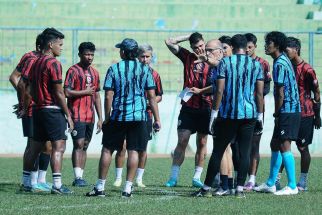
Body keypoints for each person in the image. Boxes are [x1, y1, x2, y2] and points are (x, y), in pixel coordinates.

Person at [85, 38, 161, 198]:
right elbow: (152, 97)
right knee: (133, 150)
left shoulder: (114, 69)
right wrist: (157, 118)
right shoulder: (145, 69)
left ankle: (100, 187)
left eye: (121, 49)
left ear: (124, 52)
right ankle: (127, 188)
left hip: (118, 116)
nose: (119, 51)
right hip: (139, 116)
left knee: (107, 149)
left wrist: (106, 117)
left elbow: (108, 95)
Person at [193, 34, 264, 198]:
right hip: (249, 113)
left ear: (232, 46)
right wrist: (259, 115)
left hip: (228, 114)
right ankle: (239, 190)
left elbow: (219, 89)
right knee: (245, 152)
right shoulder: (256, 64)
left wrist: (214, 113)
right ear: (246, 47)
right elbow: (259, 93)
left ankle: (206, 189)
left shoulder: (225, 63)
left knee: (218, 151)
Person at [23, 28, 74, 194]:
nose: (61, 47)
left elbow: (27, 87)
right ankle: (57, 186)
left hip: (37, 110)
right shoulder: (54, 63)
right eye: (60, 44)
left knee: (34, 148)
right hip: (52, 110)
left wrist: (25, 106)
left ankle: (26, 183)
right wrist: (68, 113)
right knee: (58, 147)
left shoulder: (35, 61)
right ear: (51, 45)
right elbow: (59, 93)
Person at [254, 31, 301, 195]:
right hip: (288, 109)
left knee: (284, 145)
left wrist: (277, 114)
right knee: (275, 143)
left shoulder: (280, 63)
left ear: (277, 45)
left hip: (287, 110)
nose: (266, 45)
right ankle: (270, 183)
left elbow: (280, 92)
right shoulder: (282, 61)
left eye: (269, 42)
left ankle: (293, 186)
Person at [164, 32, 211, 188]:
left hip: (206, 107)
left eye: (201, 45)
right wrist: (189, 35)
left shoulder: (214, 61)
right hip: (188, 107)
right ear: (191, 47)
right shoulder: (188, 57)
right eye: (195, 47)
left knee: (202, 142)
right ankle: (173, 177)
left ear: (205, 43)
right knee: (182, 140)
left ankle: (197, 177)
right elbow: (169, 41)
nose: (199, 49)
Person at [113, 44, 163, 188]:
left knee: (142, 148)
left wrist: (148, 104)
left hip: (145, 115)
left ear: (151, 58)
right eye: (142, 56)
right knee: (122, 146)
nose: (145, 59)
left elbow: (158, 96)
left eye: (148, 57)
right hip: (126, 114)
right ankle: (118, 177)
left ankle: (139, 178)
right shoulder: (129, 71)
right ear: (137, 57)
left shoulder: (154, 74)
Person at [277, 36, 320, 191]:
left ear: (296, 50)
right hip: (289, 111)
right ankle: (277, 178)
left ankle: (303, 181)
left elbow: (317, 93)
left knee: (302, 148)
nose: (284, 53)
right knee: (284, 145)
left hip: (305, 114)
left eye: (287, 50)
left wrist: (318, 116)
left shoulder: (308, 69)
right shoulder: (285, 66)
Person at [12, 32, 52, 192]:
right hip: (33, 108)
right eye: (58, 44)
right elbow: (18, 81)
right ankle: (28, 181)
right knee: (33, 144)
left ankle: (39, 180)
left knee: (46, 145)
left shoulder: (41, 59)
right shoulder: (32, 59)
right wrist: (24, 101)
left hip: (41, 108)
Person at [64, 42, 102, 187]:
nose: (90, 57)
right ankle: (77, 176)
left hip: (90, 116)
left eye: (92, 54)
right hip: (76, 114)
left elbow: (97, 96)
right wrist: (85, 92)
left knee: (85, 145)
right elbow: (66, 92)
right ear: (80, 54)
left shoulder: (95, 73)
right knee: (78, 144)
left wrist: (100, 117)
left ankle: (81, 175)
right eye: (87, 54)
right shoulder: (73, 71)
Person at [243, 33, 272, 191]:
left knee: (254, 144)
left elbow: (266, 88)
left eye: (250, 47)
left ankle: (252, 179)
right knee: (239, 145)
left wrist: (252, 96)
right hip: (239, 110)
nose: (247, 50)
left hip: (256, 109)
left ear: (255, 46)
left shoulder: (263, 63)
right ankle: (236, 176)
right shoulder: (238, 62)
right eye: (245, 47)